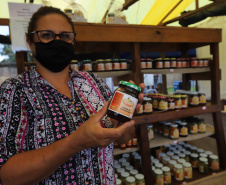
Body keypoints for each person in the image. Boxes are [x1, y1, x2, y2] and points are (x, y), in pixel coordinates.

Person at [0, 6, 144, 185]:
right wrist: (76, 142)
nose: (57, 41)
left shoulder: (94, 81)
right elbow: (6, 176)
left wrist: (124, 116)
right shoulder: (14, 90)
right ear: (30, 42)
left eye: (65, 36)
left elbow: (123, 137)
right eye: (47, 35)